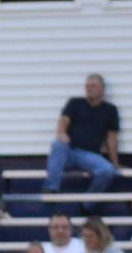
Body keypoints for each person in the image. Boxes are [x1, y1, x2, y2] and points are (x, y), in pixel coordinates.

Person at [43, 74, 121, 205]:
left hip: (89, 155)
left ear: (103, 89)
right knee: (57, 145)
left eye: (93, 86)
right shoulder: (75, 103)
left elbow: (111, 138)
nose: (89, 89)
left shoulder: (110, 110)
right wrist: (61, 133)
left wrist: (115, 162)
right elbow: (63, 121)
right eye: (87, 86)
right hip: (68, 151)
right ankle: (51, 190)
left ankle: (88, 204)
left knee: (108, 170)